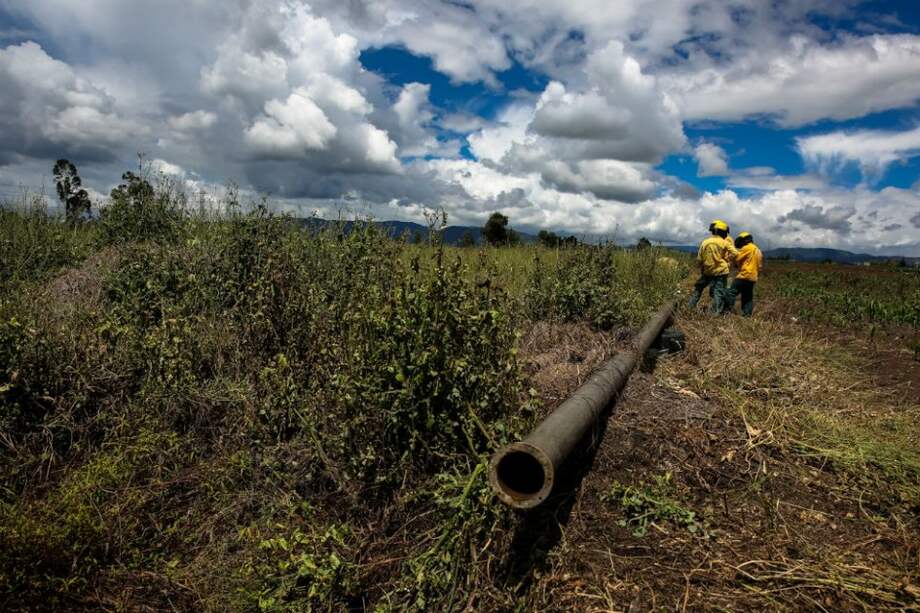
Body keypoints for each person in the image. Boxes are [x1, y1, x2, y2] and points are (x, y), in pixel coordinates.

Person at [688, 220, 737, 313]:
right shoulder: (725, 242)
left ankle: (690, 307)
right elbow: (735, 253)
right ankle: (714, 314)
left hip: (707, 271)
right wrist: (726, 261)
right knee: (718, 292)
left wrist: (701, 267)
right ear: (722, 232)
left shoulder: (705, 242)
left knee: (698, 288)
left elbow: (699, 259)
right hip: (721, 272)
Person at [726, 231, 763, 316]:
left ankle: (727, 311)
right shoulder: (758, 250)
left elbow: (737, 258)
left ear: (745, 240)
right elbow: (759, 266)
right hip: (753, 277)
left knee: (731, 292)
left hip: (744, 275)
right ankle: (747, 315)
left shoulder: (747, 248)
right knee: (747, 297)